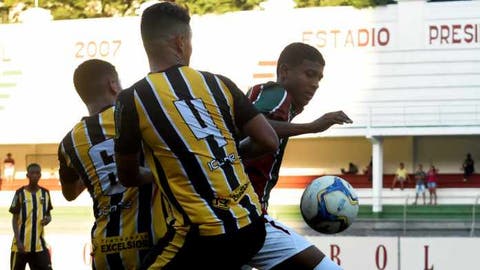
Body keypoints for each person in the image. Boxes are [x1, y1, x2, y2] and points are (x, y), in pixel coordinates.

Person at [113, 2, 279, 269]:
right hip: (252, 226)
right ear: (180, 42)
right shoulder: (219, 82)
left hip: (203, 238)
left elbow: (128, 176)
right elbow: (268, 140)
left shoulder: (131, 99)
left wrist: (166, 172)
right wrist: (224, 155)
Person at [243, 43, 349, 269]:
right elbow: (250, 126)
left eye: (319, 79)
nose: (315, 85)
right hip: (244, 216)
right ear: (284, 71)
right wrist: (313, 127)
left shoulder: (278, 103)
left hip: (238, 217)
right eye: (309, 74)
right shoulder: (277, 94)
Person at [57, 59, 166, 269]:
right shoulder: (140, 116)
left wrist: (98, 170)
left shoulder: (69, 143)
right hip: (154, 243)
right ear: (112, 85)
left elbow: (69, 193)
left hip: (105, 248)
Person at [9, 163, 53, 270]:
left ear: (40, 175)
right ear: (27, 175)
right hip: (20, 247)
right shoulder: (20, 193)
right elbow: (14, 219)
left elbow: (48, 214)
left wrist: (48, 219)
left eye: (37, 173)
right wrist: (18, 241)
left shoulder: (45, 193)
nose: (34, 175)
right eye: (32, 173)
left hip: (39, 246)